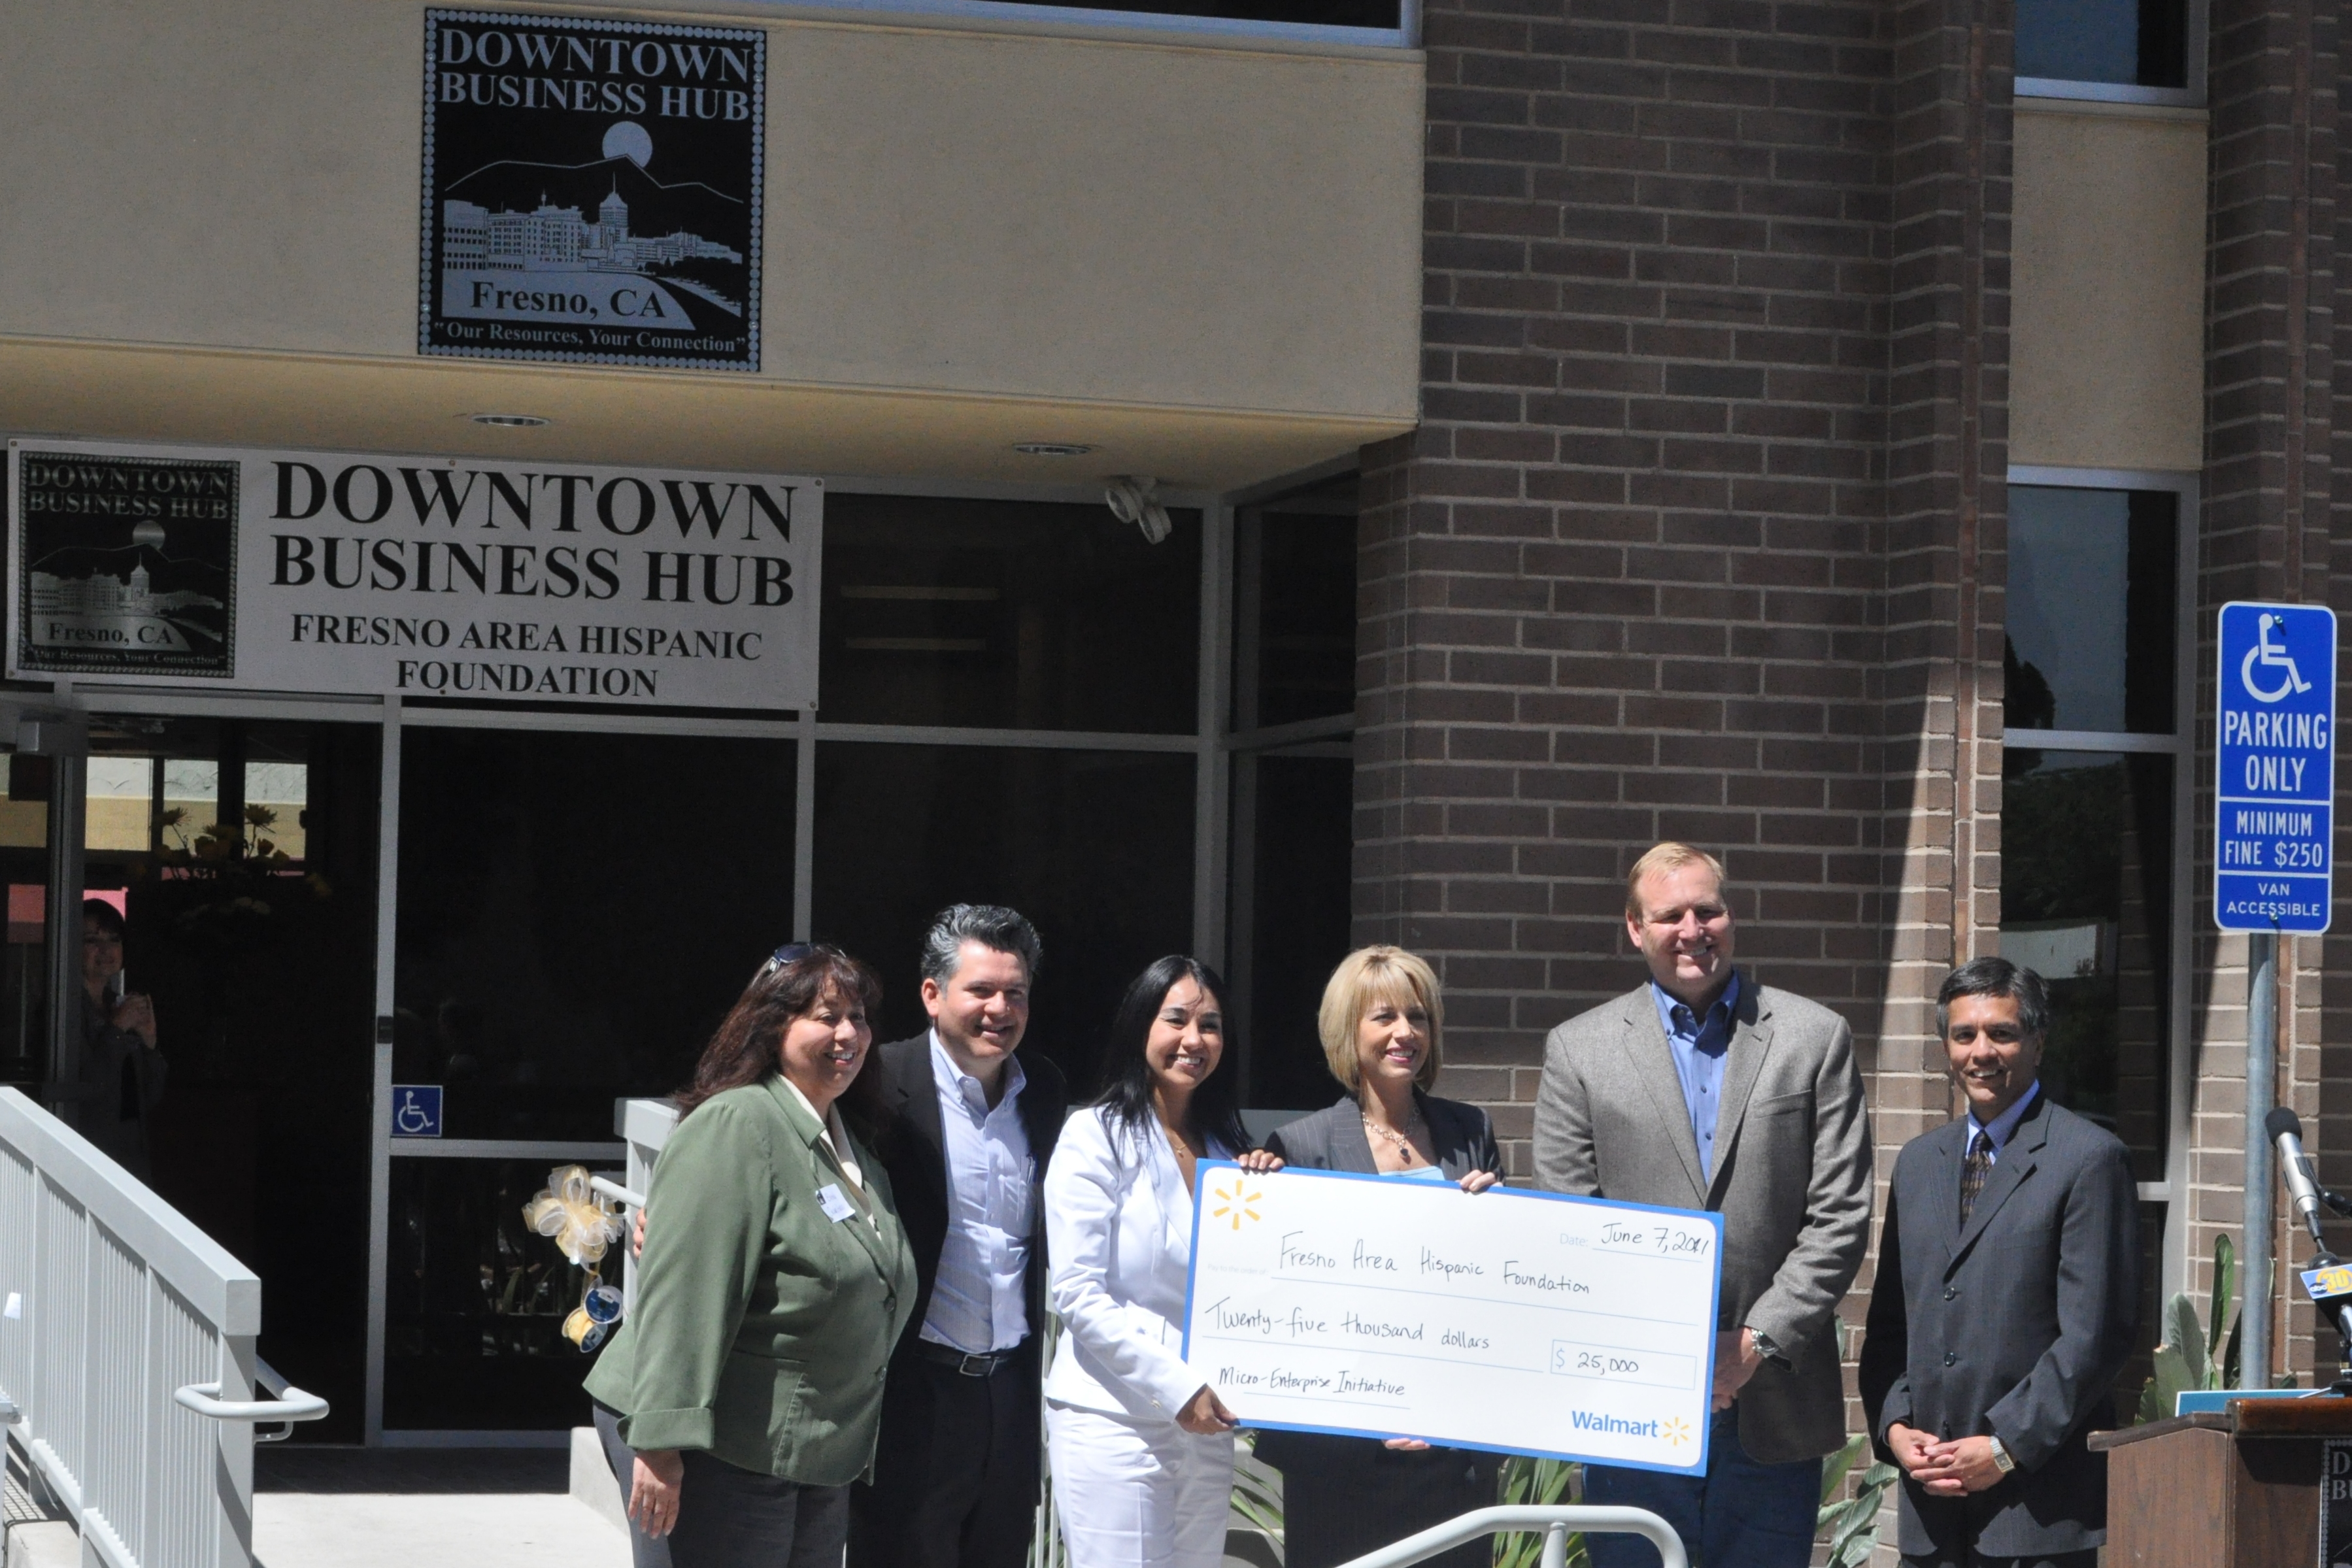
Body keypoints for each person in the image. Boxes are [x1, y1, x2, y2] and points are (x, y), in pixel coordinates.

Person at [1532, 841, 1872, 1568]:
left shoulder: (1814, 1038)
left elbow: (1840, 1215)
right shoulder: (1579, 1050)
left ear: (1731, 917)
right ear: (1635, 928)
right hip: (1630, 1407)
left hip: (1772, 1399)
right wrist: (1670, 1358)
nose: (1692, 930)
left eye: (1707, 910)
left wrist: (1752, 1343)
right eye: (1669, 916)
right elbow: (1571, 1223)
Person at [586, 944, 916, 1568]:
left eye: (859, 1017)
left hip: (811, 1450)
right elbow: (687, 1294)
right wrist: (660, 1441)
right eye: (827, 1016)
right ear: (773, 1027)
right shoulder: (737, 1123)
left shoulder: (848, 1141)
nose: (849, 1033)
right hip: (714, 1441)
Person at [1858, 958, 2138, 1568]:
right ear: (1946, 1046)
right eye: (1964, 1034)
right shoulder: (1919, 1163)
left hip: (2037, 1514)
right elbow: (1891, 1325)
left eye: (2002, 1033)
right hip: (1932, 1510)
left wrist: (2006, 1445)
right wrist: (1897, 1428)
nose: (1981, 1051)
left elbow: (2095, 1336)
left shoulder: (2090, 1159)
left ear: (2038, 1041)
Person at [1250, 945, 1500, 1568]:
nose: (1404, 1032)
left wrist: (1499, 1220)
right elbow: (1283, 1302)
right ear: (1347, 1030)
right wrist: (1253, 1194)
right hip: (1343, 1464)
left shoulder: (1472, 1132)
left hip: (1451, 1455)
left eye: (1418, 1016)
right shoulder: (1300, 1146)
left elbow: (1493, 1292)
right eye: (1384, 1016)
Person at [845, 905, 1069, 1568]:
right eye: (982, 990)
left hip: (1009, 1394)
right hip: (913, 1391)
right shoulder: (875, 1079)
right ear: (932, 994)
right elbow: (773, 1124)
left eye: (1015, 992)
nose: (1001, 1008)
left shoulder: (1044, 1089)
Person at [1042, 954, 1248, 1568]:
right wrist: (1177, 1386)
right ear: (1141, 1026)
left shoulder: (1232, 1152)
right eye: (1176, 1019)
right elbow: (1077, 1292)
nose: (1194, 1039)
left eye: (1210, 1025)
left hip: (1207, 1427)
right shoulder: (1093, 1134)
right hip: (1113, 1417)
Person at [75, 899, 165, 1177]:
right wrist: (117, 1030)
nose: (106, 950)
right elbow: (86, 1086)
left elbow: (150, 1096)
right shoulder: (64, 1007)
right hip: (85, 1149)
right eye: (92, 940)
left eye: (114, 940)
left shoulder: (118, 1004)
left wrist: (149, 1043)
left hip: (128, 1150)